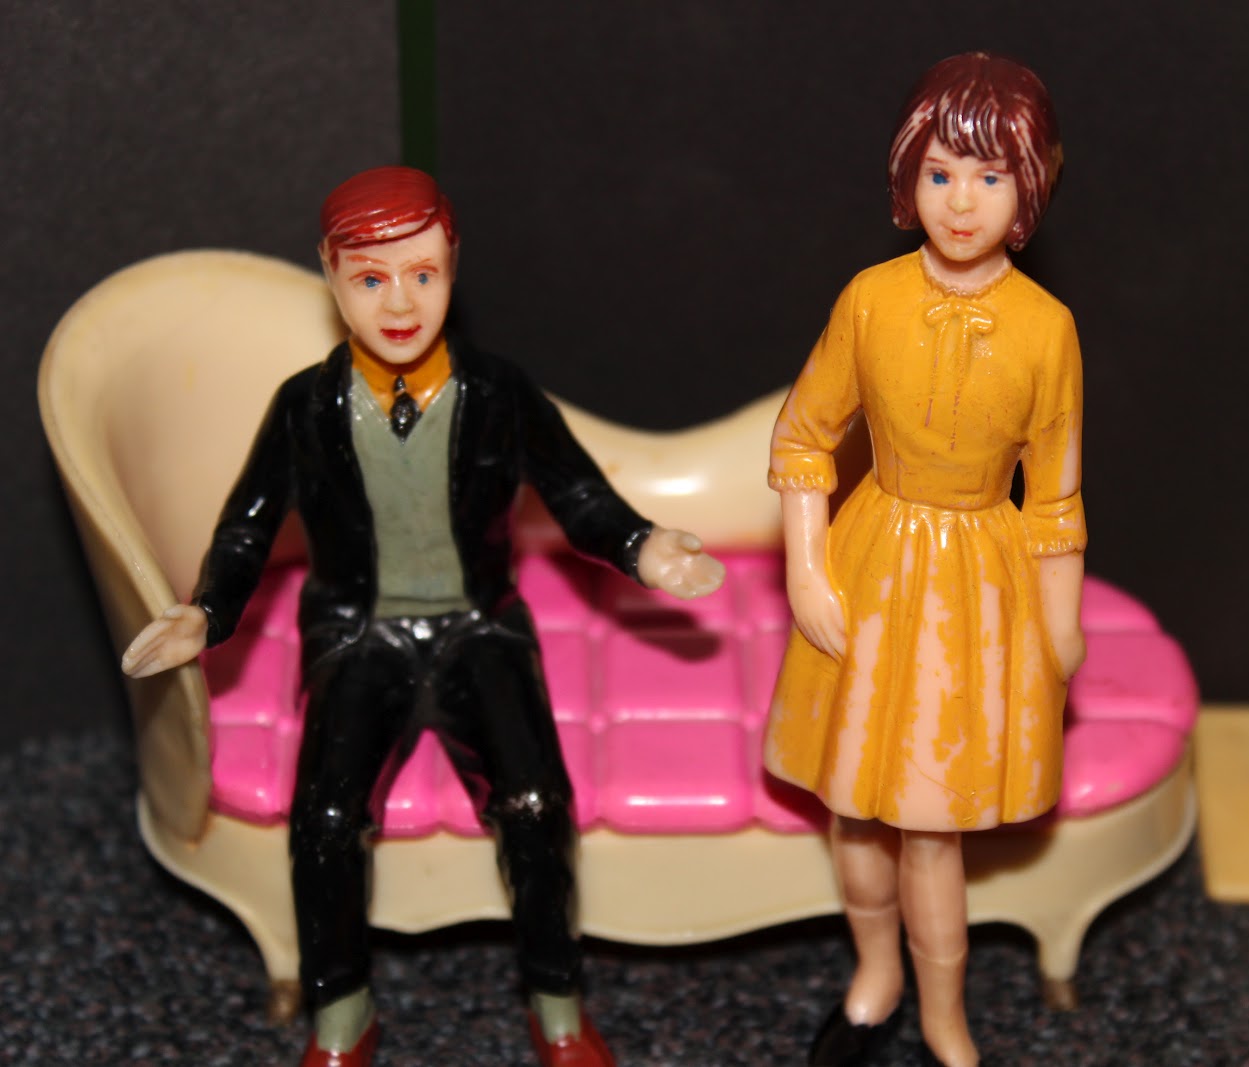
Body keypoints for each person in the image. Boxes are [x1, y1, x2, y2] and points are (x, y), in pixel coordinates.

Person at [122, 165, 725, 1067]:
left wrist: (642, 547)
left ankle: (557, 1005)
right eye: (370, 279)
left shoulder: (498, 394)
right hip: (356, 631)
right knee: (326, 814)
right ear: (330, 277)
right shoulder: (305, 407)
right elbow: (247, 525)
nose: (399, 303)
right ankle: (342, 1013)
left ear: (453, 268)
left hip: (478, 624)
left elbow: (576, 492)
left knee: (535, 802)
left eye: (422, 274)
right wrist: (208, 612)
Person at [762, 53, 1085, 1067]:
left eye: (990, 176)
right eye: (942, 172)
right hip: (871, 559)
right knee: (854, 803)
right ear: (909, 176)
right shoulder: (869, 299)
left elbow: (1056, 496)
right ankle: (875, 977)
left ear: (1029, 189)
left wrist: (1060, 623)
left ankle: (946, 1013)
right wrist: (805, 569)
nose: (962, 201)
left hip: (978, 580)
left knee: (932, 823)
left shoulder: (1048, 329)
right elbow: (803, 439)